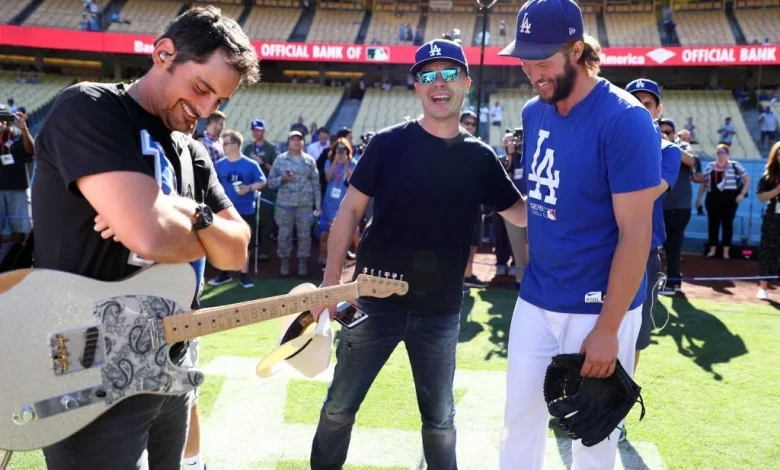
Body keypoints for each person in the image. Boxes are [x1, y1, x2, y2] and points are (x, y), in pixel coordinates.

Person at [30, 7, 259, 470]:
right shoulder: (90, 107)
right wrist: (189, 228)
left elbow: (236, 251)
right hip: (87, 357)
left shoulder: (192, 150)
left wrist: (185, 212)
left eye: (219, 100)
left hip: (170, 355)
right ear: (162, 53)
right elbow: (149, 235)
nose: (206, 109)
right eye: (200, 88)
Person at [309, 38, 526, 470]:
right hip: (372, 302)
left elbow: (522, 214)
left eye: (449, 74)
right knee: (338, 408)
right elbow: (350, 209)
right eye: (428, 75)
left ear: (466, 83)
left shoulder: (480, 158)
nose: (439, 84)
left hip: (439, 311)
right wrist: (332, 283)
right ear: (417, 87)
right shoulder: (388, 144)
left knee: (440, 421)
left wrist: (576, 192)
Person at [496, 0, 661, 468]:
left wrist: (608, 329)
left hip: (597, 307)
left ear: (576, 50)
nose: (532, 73)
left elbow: (636, 235)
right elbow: (544, 207)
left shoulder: (625, 120)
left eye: (543, 61)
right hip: (537, 296)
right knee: (519, 421)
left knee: (592, 434)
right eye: (525, 61)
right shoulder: (534, 111)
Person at [624, 79, 681, 441]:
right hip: (601, 249)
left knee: (634, 336)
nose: (644, 107)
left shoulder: (668, 150)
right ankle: (581, 400)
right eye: (636, 101)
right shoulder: (609, 141)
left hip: (642, 253)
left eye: (649, 103)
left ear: (658, 110)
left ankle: (618, 406)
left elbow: (652, 190)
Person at [209, 129, 267, 288]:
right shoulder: (220, 164)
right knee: (224, 243)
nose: (223, 146)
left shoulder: (250, 164)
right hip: (224, 210)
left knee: (245, 244)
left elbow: (262, 181)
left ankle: (244, 275)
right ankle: (224, 274)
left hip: (246, 209)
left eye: (226, 143)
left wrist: (248, 188)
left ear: (236, 145)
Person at [267, 130, 321, 276]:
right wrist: (282, 179)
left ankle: (302, 263)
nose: (297, 142)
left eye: (299, 139)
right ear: (289, 142)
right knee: (284, 234)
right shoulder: (280, 160)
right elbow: (271, 182)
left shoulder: (309, 160)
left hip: (305, 204)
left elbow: (316, 184)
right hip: (285, 204)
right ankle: (285, 262)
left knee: (304, 235)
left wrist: (318, 205)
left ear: (303, 142)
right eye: (293, 139)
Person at [696, 144, 750, 259]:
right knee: (712, 224)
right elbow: (704, 184)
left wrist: (742, 194)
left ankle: (726, 251)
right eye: (719, 152)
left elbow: (747, 179)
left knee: (727, 224)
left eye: (724, 152)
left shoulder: (735, 165)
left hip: (729, 198)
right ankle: (712, 249)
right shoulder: (710, 166)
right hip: (713, 197)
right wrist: (699, 199)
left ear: (728, 153)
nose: (721, 154)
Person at [317, 137, 357, 270]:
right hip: (329, 203)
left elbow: (352, 181)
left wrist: (346, 164)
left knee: (342, 235)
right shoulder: (329, 162)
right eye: (338, 149)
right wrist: (335, 161)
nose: (340, 152)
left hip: (343, 203)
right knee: (324, 233)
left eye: (343, 149)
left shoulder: (352, 163)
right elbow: (327, 177)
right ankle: (323, 258)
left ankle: (341, 261)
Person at [0, 106, 34, 255]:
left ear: (7, 121)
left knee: (19, 228)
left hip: (17, 187)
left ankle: (15, 258)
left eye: (2, 120)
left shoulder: (19, 134)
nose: (0, 124)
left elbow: (31, 150)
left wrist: (24, 129)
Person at [242, 118, 277, 261]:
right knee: (249, 219)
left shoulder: (271, 148)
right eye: (254, 130)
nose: (256, 132)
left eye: (259, 129)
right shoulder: (248, 148)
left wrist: (262, 163)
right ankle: (249, 249)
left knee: (266, 219)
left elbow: (275, 170)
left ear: (264, 131)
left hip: (266, 188)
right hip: (250, 188)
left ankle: (264, 249)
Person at [755, 141, 780, 300]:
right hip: (772, 217)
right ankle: (763, 287)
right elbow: (761, 197)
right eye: (778, 154)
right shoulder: (768, 176)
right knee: (767, 250)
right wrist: (777, 190)